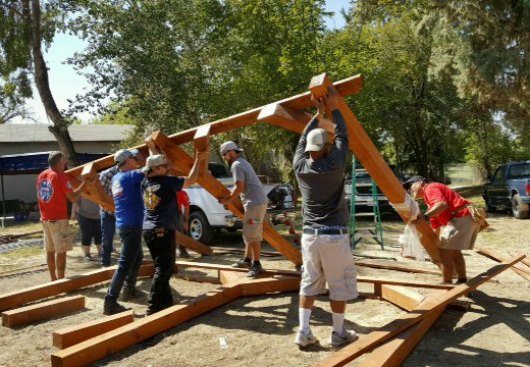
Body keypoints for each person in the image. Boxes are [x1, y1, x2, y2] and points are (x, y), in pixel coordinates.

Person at [292, 87, 359, 348]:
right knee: (338, 285)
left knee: (308, 285)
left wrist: (319, 114)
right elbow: (343, 135)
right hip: (333, 236)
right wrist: (335, 107)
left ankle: (304, 332)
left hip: (310, 236)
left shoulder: (299, 166)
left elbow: (302, 139)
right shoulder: (335, 165)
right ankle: (338, 333)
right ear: (327, 147)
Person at [142, 144, 207, 315]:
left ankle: (166, 300)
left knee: (160, 266)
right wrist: (199, 160)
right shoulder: (167, 182)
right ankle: (153, 306)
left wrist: (155, 150)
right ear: (156, 168)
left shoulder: (146, 182)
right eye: (164, 166)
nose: (168, 168)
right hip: (162, 229)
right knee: (165, 268)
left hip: (149, 229)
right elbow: (191, 180)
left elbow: (156, 165)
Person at [403, 176, 480, 284]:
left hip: (462, 216)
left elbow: (442, 205)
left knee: (444, 251)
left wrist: (424, 216)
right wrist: (433, 249)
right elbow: (436, 229)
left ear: (420, 183)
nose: (410, 191)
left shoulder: (430, 188)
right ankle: (462, 280)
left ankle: (446, 283)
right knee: (453, 252)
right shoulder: (431, 204)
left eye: (411, 187)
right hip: (464, 217)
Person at [103, 148, 145, 315]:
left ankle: (129, 290)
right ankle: (110, 301)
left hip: (125, 225)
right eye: (134, 158)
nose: (137, 161)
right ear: (127, 161)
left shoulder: (117, 178)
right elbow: (151, 168)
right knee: (124, 265)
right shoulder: (130, 176)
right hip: (131, 226)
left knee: (137, 256)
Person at [37, 151, 91, 281]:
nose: (65, 163)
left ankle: (53, 279)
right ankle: (61, 282)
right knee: (61, 252)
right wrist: (85, 183)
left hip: (45, 219)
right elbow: (73, 198)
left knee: (50, 250)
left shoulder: (41, 175)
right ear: (58, 163)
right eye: (64, 161)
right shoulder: (60, 176)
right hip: (58, 220)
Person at [219, 141, 268, 278]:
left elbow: (239, 187)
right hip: (256, 201)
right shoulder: (242, 162)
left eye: (224, 154)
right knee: (249, 232)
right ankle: (247, 260)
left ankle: (256, 264)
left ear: (231, 152)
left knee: (252, 235)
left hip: (254, 203)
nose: (224, 157)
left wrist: (228, 200)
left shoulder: (236, 165)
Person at [98, 162, 121, 267]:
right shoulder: (106, 175)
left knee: (126, 238)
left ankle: (128, 263)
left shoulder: (131, 173)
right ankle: (105, 264)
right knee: (107, 238)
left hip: (122, 211)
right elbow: (98, 194)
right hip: (108, 212)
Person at [71, 196, 102, 261]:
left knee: (99, 234)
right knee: (87, 235)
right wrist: (73, 213)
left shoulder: (99, 187)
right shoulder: (82, 188)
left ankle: (101, 253)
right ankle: (87, 255)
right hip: (84, 215)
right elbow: (76, 201)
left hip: (99, 215)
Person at [176, 189, 191, 258]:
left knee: (182, 231)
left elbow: (187, 206)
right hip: (165, 213)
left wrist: (186, 221)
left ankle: (182, 250)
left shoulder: (181, 192)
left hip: (176, 213)